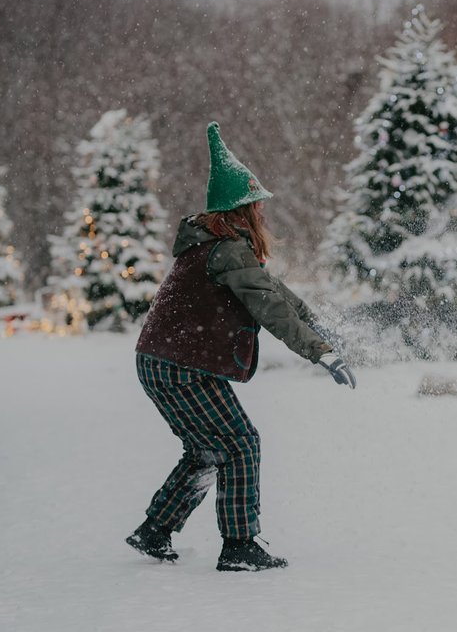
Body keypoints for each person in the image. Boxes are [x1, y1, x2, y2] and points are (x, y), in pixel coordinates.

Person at [126, 122, 356, 572]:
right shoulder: (227, 249)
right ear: (241, 211)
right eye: (257, 207)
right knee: (241, 443)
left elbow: (274, 293)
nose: (263, 215)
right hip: (178, 366)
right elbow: (269, 309)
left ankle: (155, 532)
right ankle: (239, 546)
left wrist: (321, 330)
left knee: (208, 449)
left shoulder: (217, 246)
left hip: (158, 361)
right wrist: (321, 352)